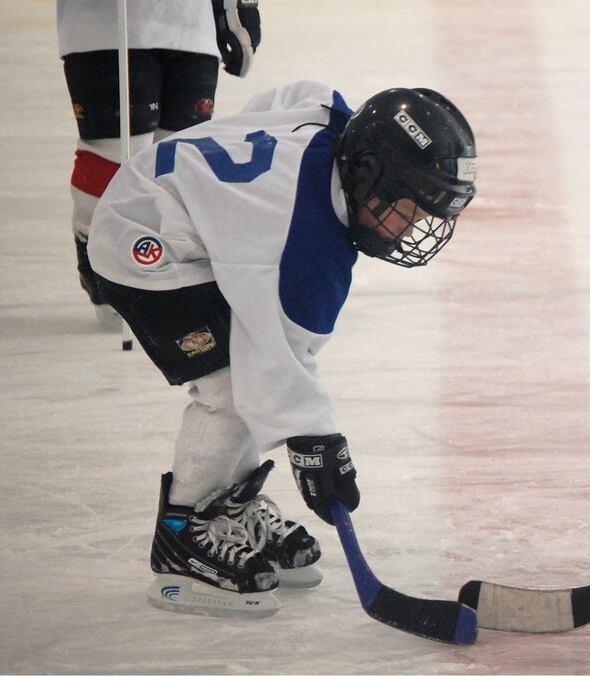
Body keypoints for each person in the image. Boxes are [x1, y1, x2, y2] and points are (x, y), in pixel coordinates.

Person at [86, 80, 478, 617]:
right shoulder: (302, 248)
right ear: (364, 172)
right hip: (142, 242)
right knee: (228, 390)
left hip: (171, 209)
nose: (410, 227)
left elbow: (292, 96)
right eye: (404, 206)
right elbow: (276, 365)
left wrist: (223, 203)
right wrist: (318, 444)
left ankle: (229, 506)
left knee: (246, 379)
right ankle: (183, 533)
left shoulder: (332, 126)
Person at [57, 0, 261, 328]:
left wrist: (237, 8)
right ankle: (99, 258)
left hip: (193, 28)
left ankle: (169, 279)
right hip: (107, 27)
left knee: (180, 163)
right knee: (116, 161)